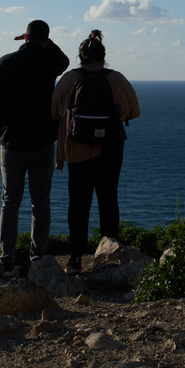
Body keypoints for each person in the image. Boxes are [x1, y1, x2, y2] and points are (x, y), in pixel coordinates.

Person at [51, 30, 140, 275]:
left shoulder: (69, 79)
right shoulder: (118, 79)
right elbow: (135, 111)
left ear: (79, 57)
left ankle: (76, 259)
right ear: (104, 56)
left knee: (78, 205)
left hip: (77, 149)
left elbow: (54, 111)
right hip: (111, 148)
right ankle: (109, 257)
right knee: (108, 200)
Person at [0, 20, 69, 273]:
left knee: (10, 202)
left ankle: (7, 258)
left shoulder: (4, 62)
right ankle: (38, 257)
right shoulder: (48, 62)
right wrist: (45, 42)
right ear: (45, 39)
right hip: (43, 143)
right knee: (40, 203)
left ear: (25, 37)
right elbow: (64, 60)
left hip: (11, 143)